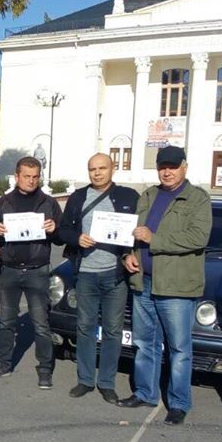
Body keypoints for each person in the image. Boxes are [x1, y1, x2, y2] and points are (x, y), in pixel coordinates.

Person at [118, 146, 211, 425]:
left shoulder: (197, 198)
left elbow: (198, 237)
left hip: (176, 286)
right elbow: (133, 234)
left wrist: (153, 239)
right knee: (145, 342)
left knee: (179, 348)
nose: (167, 172)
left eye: (172, 166)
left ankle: (179, 402)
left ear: (185, 166)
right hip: (143, 282)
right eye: (162, 167)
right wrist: (128, 256)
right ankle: (145, 392)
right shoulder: (148, 195)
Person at [57, 154, 139, 404]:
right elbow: (63, 230)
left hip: (115, 275)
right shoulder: (79, 197)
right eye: (92, 169)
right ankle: (84, 380)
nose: (97, 173)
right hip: (86, 273)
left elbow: (137, 232)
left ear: (112, 168)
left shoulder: (129, 197)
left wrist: (129, 252)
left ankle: (106, 382)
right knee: (85, 328)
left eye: (102, 168)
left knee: (113, 331)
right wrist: (76, 239)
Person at [0, 156, 62, 389]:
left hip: (37, 271)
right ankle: (4, 363)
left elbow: (60, 237)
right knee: (7, 321)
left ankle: (45, 369)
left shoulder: (49, 203)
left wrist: (54, 229)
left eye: (35, 176)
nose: (31, 180)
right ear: (17, 177)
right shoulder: (4, 202)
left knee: (41, 323)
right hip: (8, 270)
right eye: (26, 176)